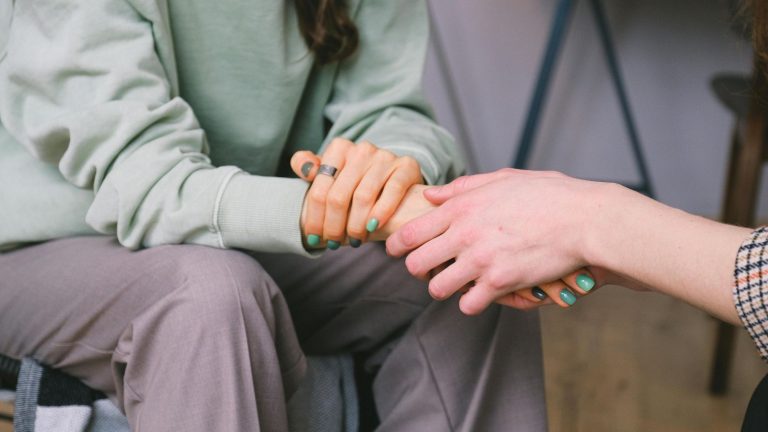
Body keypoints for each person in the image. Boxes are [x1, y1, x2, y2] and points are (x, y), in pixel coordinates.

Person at [0, 1, 547, 430]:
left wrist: (390, 173)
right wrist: (333, 208)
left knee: (468, 265)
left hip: (233, 236)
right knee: (211, 296)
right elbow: (147, 182)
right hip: (39, 254)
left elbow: (388, 109)